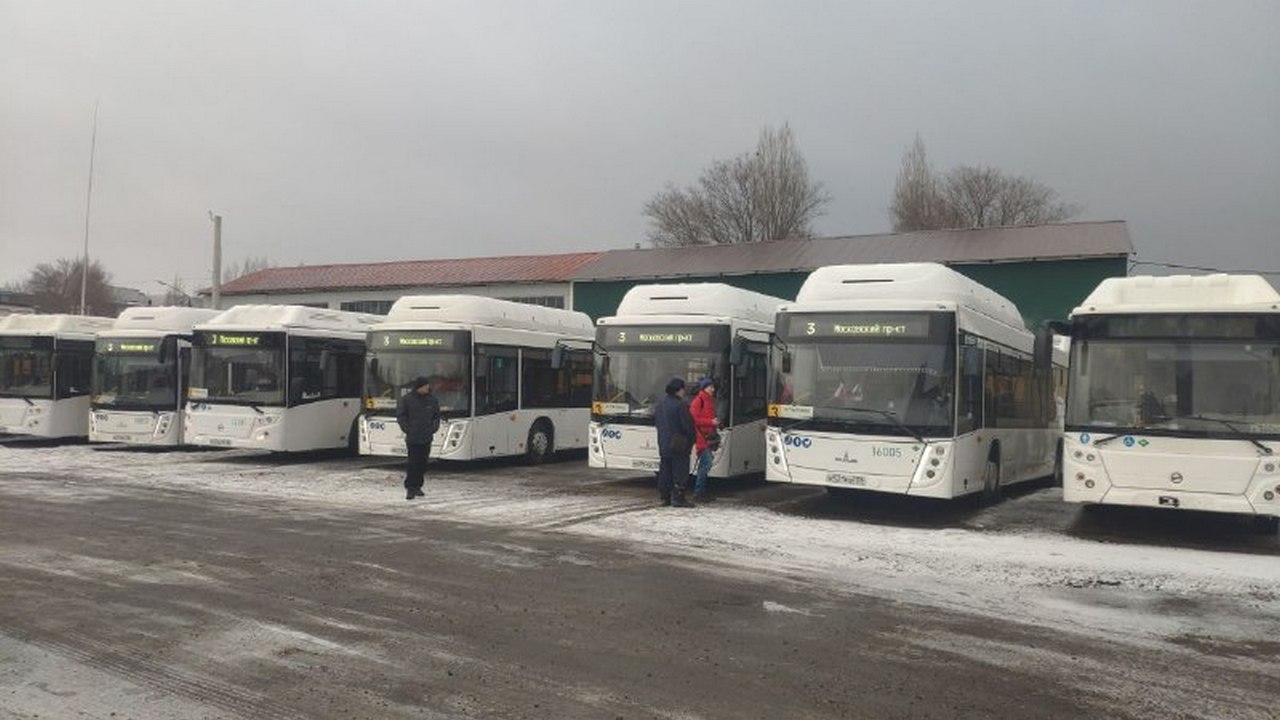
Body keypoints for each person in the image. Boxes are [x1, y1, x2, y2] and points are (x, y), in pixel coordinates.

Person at [396, 376, 441, 500]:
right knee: (413, 463)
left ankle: (418, 486)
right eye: (425, 386)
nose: (428, 387)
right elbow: (401, 416)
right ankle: (410, 488)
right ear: (419, 387)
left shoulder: (432, 400)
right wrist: (408, 429)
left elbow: (437, 416)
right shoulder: (407, 400)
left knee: (423, 463)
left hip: (426, 437)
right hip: (413, 437)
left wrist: (433, 428)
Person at [654, 376, 696, 508]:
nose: (684, 392)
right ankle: (678, 498)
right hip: (679, 444)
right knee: (680, 471)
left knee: (665, 470)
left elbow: (657, 424)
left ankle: (664, 498)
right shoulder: (681, 405)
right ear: (678, 390)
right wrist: (692, 438)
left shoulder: (660, 405)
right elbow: (687, 426)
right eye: (683, 389)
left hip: (663, 443)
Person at [689, 377, 719, 500]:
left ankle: (700, 490)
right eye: (710, 387)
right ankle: (699, 491)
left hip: (707, 438)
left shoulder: (708, 401)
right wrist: (711, 422)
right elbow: (693, 419)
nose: (713, 389)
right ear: (704, 388)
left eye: (713, 387)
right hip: (701, 438)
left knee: (705, 464)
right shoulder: (699, 400)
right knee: (707, 463)